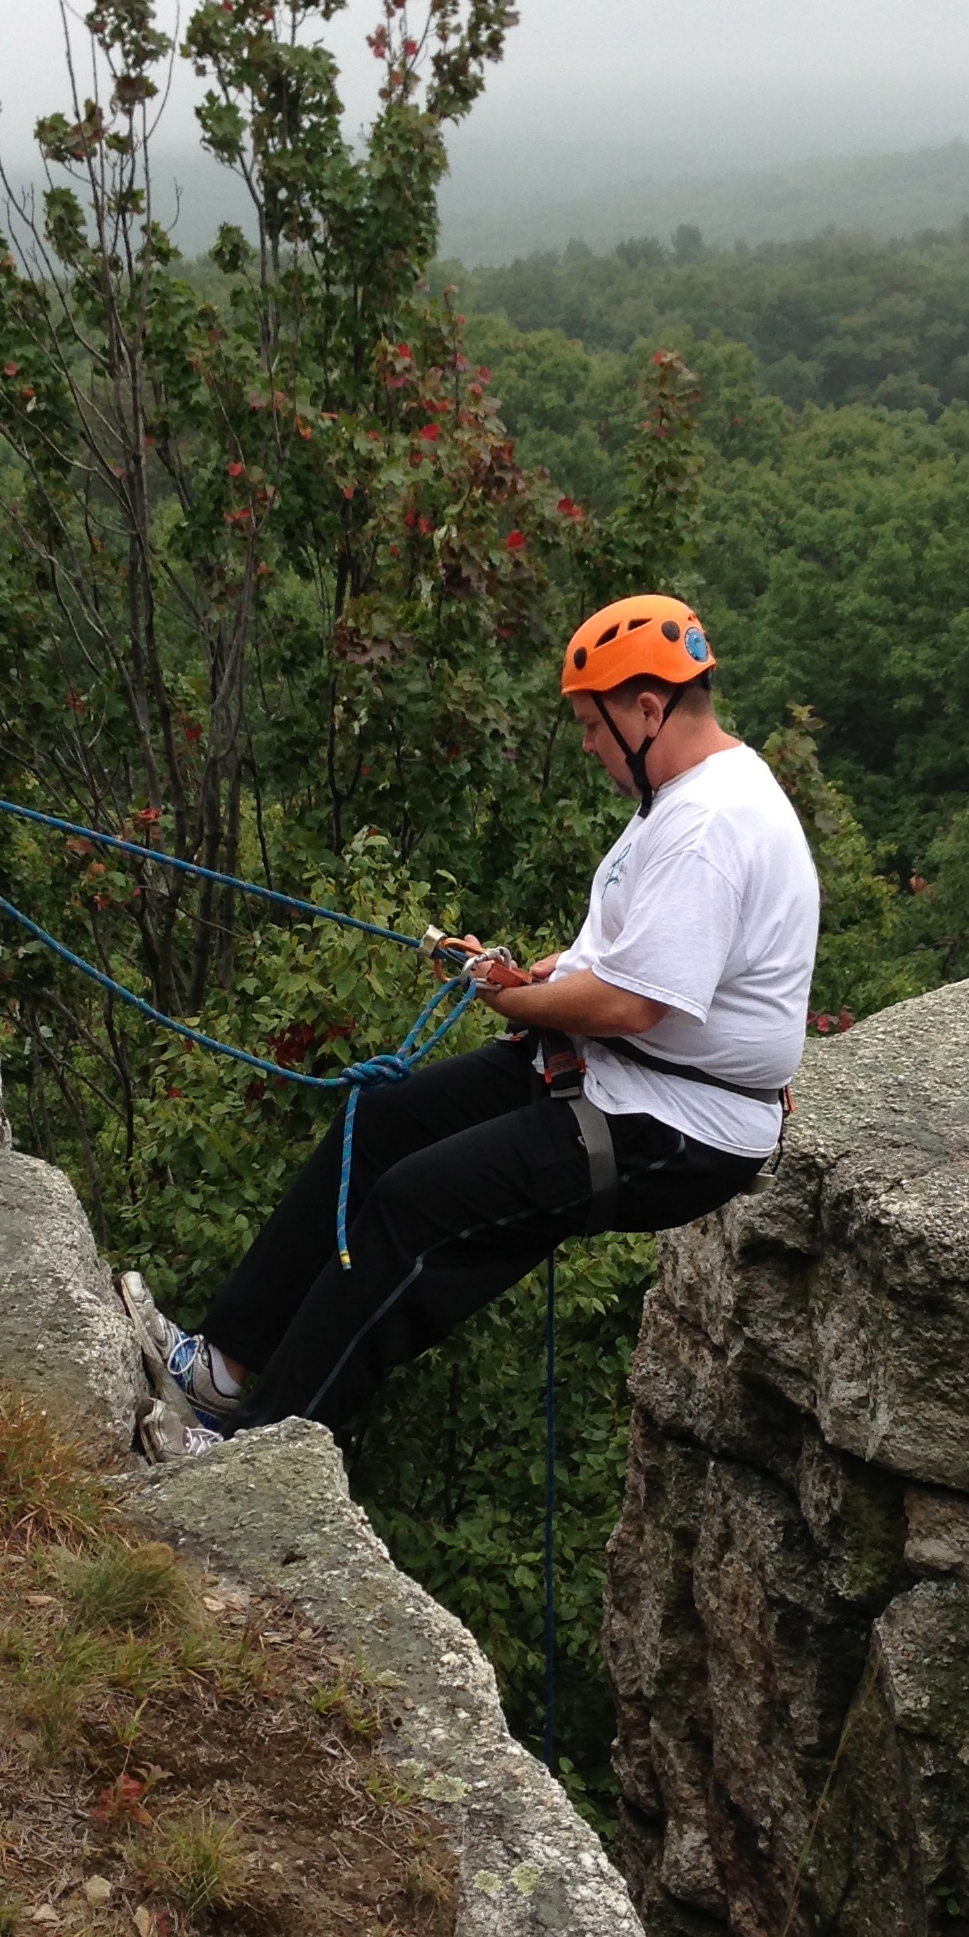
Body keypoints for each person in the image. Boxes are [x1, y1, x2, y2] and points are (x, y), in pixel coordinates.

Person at [130, 593, 818, 1446]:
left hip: (677, 1123)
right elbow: (644, 958)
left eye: (593, 726)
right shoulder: (688, 794)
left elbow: (633, 1004)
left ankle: (258, 1454)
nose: (588, 745)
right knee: (377, 1124)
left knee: (413, 1209)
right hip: (622, 1072)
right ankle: (222, 1370)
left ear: (648, 709)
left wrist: (512, 999)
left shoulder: (709, 824)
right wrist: (540, 973)